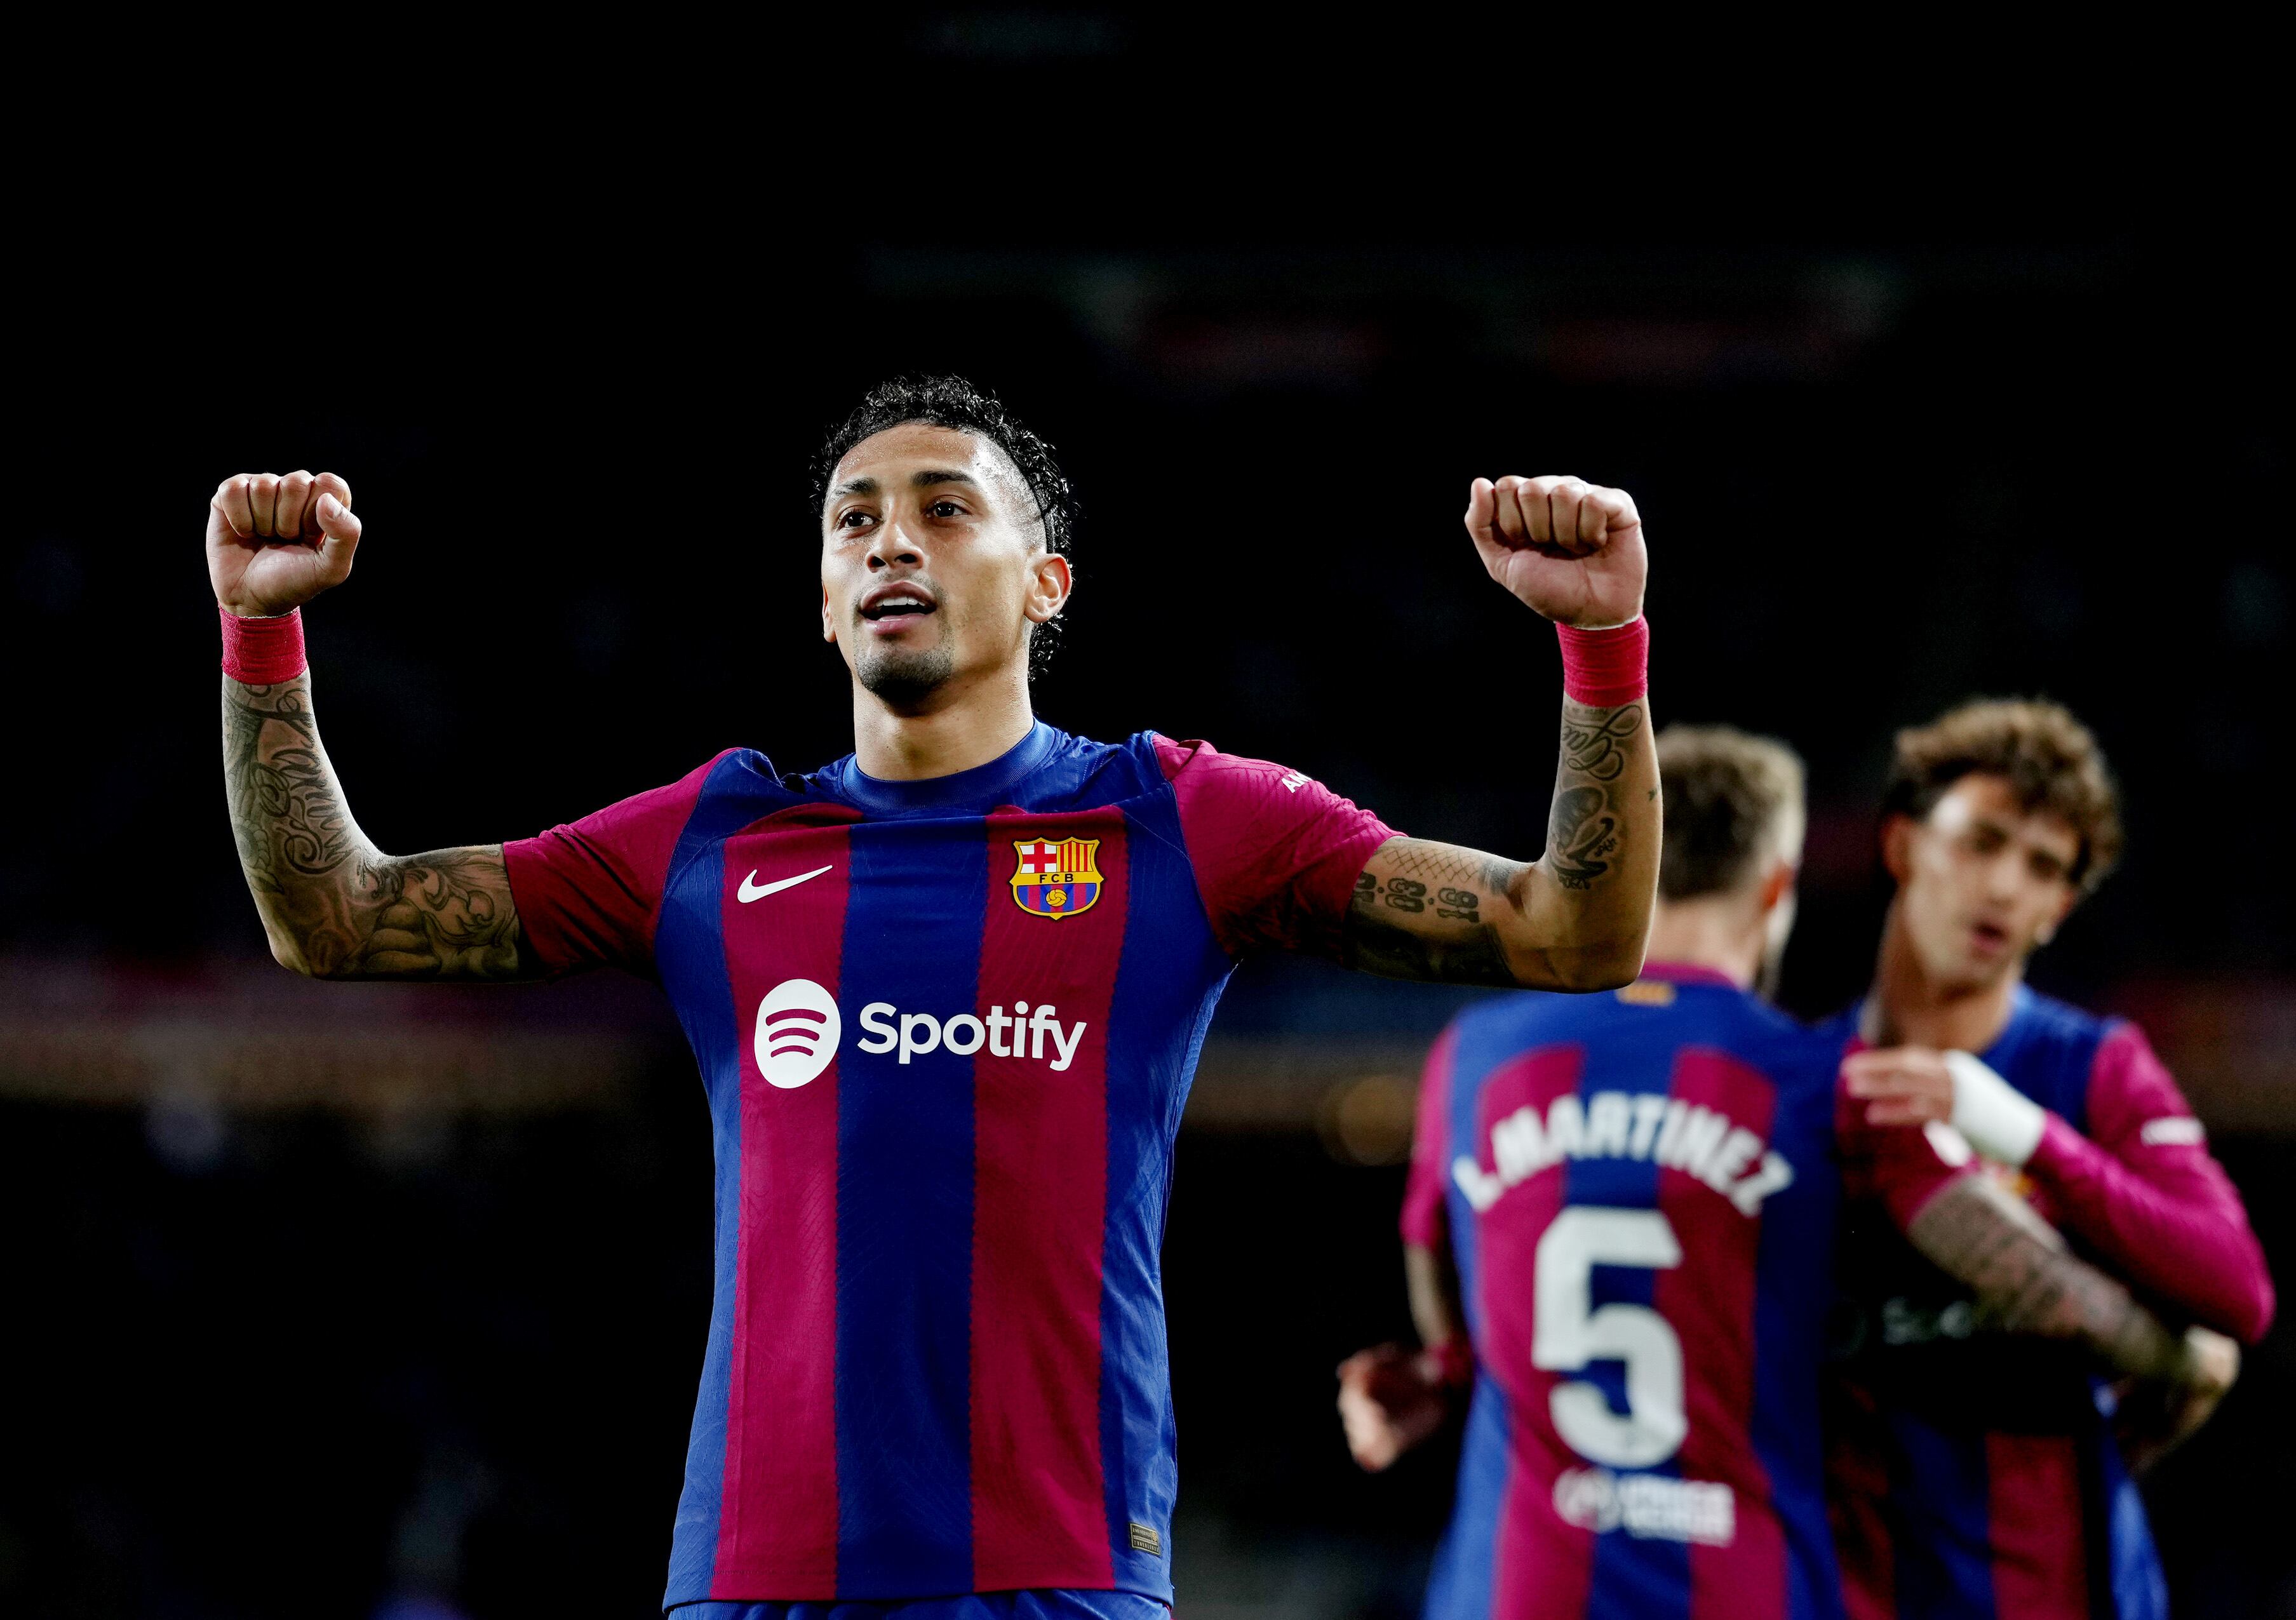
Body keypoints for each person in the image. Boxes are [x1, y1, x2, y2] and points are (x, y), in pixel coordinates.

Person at [208, 375, 1667, 1617]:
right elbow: (338, 916)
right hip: (750, 1572)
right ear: (825, 605)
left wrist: (1599, 647)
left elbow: (1567, 935)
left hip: (1050, 1572)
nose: (890, 538)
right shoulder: (712, 840)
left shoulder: (1177, 817)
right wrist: (261, 639)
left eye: (944, 507)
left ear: (1047, 587)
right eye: (854, 521)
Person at [1338, 726, 2232, 1619]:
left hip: (1509, 1591)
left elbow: (1440, 1296)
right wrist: (2181, 1358)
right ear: (1774, 887)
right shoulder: (1823, 1085)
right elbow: (2050, 1292)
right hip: (1748, 1587)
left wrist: (1449, 1373)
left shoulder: (1473, 1059)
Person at [1830, 699, 2274, 1620]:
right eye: (1980, 842)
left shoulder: (2092, 1067)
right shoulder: (1808, 1079)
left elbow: (2239, 1291)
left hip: (2065, 1594)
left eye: (2041, 868)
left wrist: (2022, 1134)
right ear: (1903, 845)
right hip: (1857, 1587)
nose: (2002, 887)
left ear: (2059, 910)